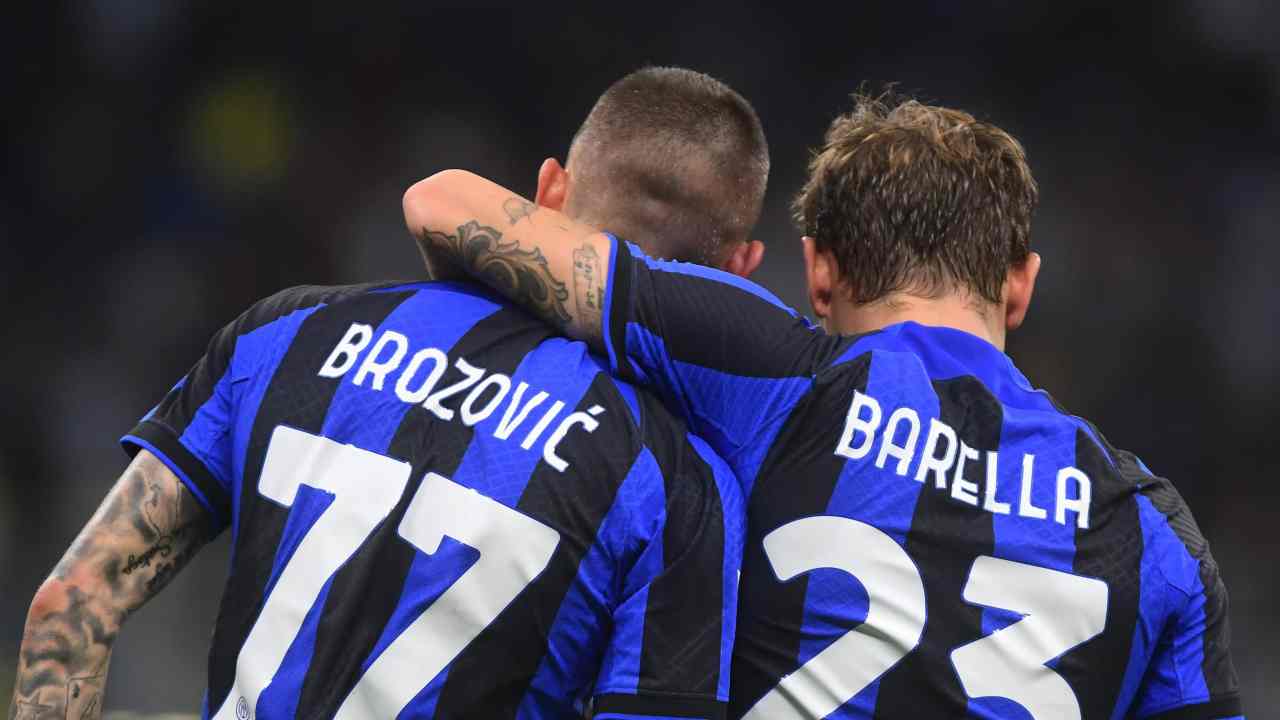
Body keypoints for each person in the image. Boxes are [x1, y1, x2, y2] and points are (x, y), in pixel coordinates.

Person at [402, 94, 1244, 719]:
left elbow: (443, 205)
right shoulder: (1153, 531)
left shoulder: (773, 371)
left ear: (819, 272)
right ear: (1020, 286)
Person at [9, 67, 767, 720]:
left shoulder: (288, 332)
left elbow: (66, 608)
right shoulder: (680, 488)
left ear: (547, 191)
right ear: (739, 273)